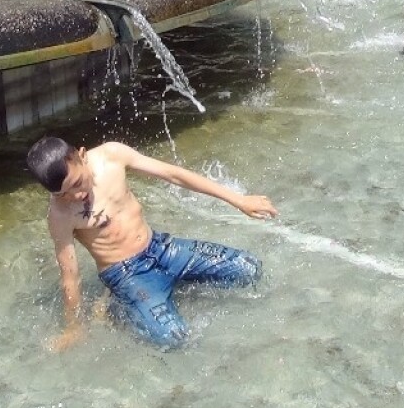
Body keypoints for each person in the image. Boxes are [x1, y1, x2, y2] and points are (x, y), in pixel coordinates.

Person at [26, 136, 278, 350]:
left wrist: (239, 200)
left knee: (249, 268)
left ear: (81, 156)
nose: (76, 195)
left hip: (161, 248)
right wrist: (73, 327)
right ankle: (119, 304)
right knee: (174, 339)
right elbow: (70, 274)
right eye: (63, 193)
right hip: (127, 274)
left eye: (77, 183)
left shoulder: (112, 156)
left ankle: (138, 295)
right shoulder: (59, 215)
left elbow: (173, 174)